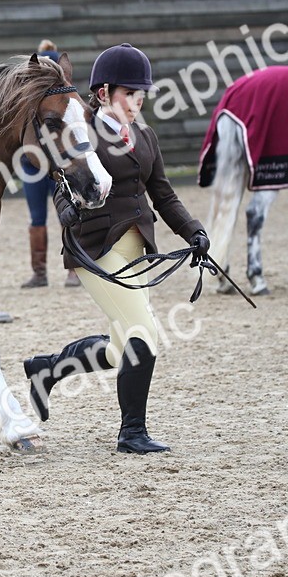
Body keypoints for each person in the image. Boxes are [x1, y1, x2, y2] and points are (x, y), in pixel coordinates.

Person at [22, 43, 210, 453]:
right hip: (96, 249)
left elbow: (163, 195)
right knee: (145, 333)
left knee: (121, 346)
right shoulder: (82, 133)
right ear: (104, 93)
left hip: (137, 249)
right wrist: (66, 208)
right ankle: (132, 434)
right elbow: (60, 182)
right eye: (130, 93)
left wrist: (194, 232)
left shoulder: (145, 136)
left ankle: (47, 369)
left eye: (142, 94)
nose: (138, 101)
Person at [21, 39, 80, 289]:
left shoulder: (57, 94)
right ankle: (69, 271)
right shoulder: (33, 94)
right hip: (35, 162)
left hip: (42, 163)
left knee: (42, 217)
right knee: (57, 214)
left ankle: (46, 272)